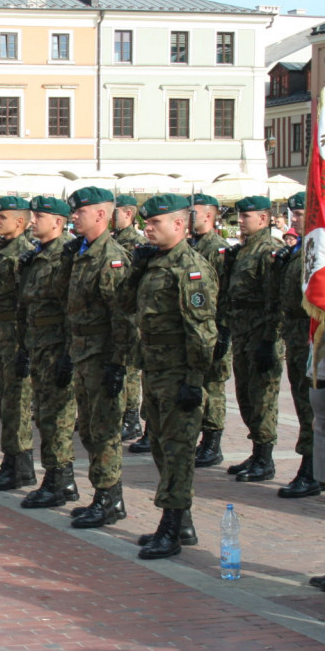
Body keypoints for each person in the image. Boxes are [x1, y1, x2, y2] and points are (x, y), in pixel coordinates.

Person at [123, 194, 217, 559]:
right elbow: (125, 304)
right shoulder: (153, 262)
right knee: (161, 447)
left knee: (178, 451)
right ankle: (182, 520)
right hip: (155, 369)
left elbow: (202, 331)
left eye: (154, 223)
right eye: (145, 223)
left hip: (179, 372)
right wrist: (136, 268)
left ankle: (172, 528)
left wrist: (195, 380)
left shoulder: (190, 268)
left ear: (179, 224)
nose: (146, 229)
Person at [63, 187, 134, 529]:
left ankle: (108, 499)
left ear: (101, 215)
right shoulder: (82, 252)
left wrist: (117, 364)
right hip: (83, 353)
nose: (73, 216)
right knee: (90, 429)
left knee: (104, 430)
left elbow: (122, 317)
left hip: (102, 356)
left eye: (80, 211)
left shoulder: (111, 257)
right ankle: (107, 495)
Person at [17, 196, 78, 508]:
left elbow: (72, 307)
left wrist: (69, 352)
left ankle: (59, 479)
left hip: (57, 346)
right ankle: (59, 478)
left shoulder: (64, 256)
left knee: (58, 416)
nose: (32, 222)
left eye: (38, 217)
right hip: (39, 344)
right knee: (43, 414)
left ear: (57, 221)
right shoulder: (39, 254)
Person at [225, 195, 283, 483]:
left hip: (261, 332)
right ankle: (256, 450)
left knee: (263, 396)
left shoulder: (269, 250)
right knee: (245, 395)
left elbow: (275, 299)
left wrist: (270, 340)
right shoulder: (245, 250)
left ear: (263, 219)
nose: (240, 222)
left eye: (246, 217)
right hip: (242, 331)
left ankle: (265, 457)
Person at [0, 196, 37, 492]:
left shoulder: (23, 253)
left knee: (16, 403)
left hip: (15, 337)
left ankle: (17, 465)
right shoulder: (0, 249)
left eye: (2, 216)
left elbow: (28, 305)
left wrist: (26, 347)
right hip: (0, 335)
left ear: (19, 221)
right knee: (5, 400)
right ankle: (17, 465)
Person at [274, 192, 320, 498]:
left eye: (301, 214)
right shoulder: (300, 250)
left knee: (310, 406)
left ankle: (310, 469)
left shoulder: (319, 252)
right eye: (293, 215)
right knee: (303, 404)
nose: (295, 220)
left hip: (312, 336)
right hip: (295, 335)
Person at [188, 194, 232, 468]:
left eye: (193, 213)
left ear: (208, 215)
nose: (188, 218)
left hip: (214, 327)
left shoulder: (217, 249)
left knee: (213, 386)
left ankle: (213, 442)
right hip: (197, 328)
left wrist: (223, 331)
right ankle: (204, 438)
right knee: (200, 385)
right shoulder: (194, 245)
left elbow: (226, 293)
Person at [112, 195, 147, 443]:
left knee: (131, 371)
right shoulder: (115, 241)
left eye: (116, 213)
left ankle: (132, 418)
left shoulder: (137, 243)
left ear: (128, 214)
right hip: (118, 314)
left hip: (132, 317)